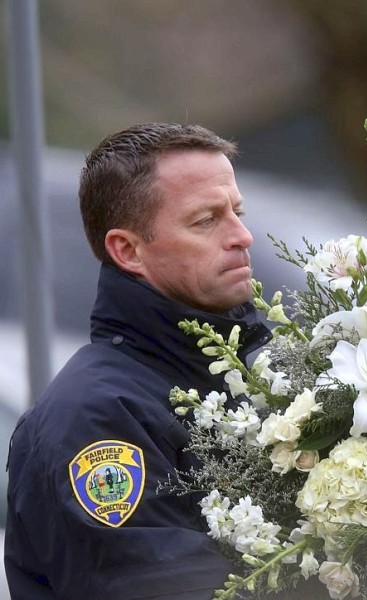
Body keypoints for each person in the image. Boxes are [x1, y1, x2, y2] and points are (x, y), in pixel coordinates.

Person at [4, 123, 271, 599]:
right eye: (206, 220)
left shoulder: (253, 375)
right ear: (128, 250)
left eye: (237, 211)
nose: (243, 236)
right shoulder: (96, 419)